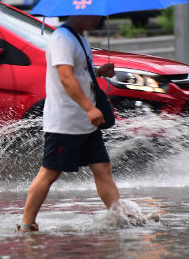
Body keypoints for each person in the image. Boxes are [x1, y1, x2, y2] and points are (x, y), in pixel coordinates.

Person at [17, 14, 120, 233]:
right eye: (92, 14)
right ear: (77, 13)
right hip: (66, 122)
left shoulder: (79, 37)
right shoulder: (62, 38)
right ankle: (26, 224)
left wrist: (100, 72)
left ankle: (118, 216)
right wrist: (90, 108)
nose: (97, 19)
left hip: (85, 122)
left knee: (103, 169)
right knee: (50, 173)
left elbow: (78, 72)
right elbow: (66, 77)